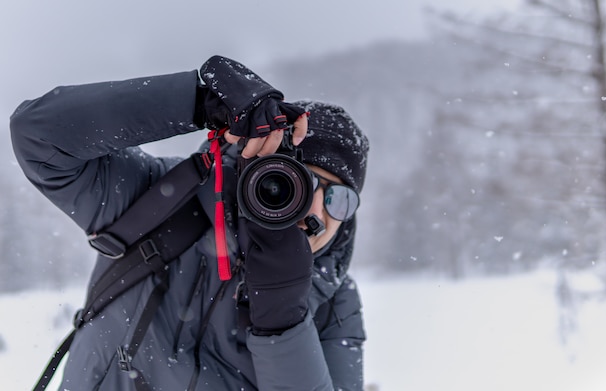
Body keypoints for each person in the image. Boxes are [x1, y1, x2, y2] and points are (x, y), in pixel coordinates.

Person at [10, 55, 369, 390]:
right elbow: (37, 137)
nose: (316, 211)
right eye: (299, 184)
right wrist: (198, 103)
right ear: (260, 168)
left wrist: (283, 318)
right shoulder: (162, 197)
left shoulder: (334, 298)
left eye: (340, 198)